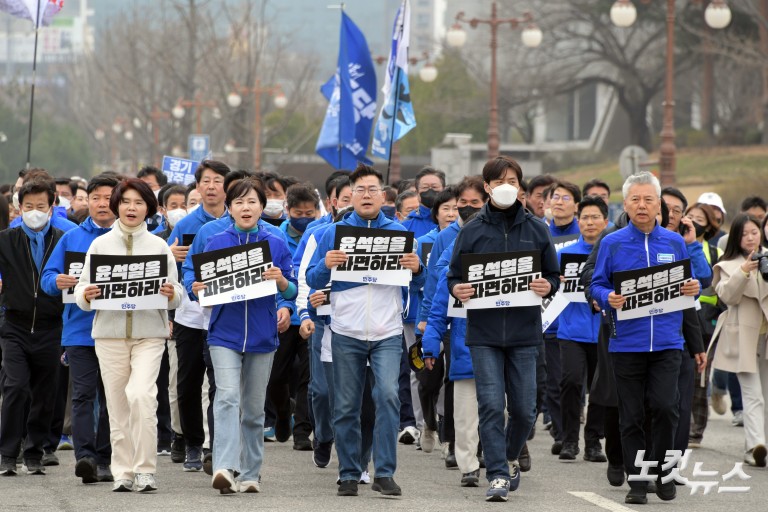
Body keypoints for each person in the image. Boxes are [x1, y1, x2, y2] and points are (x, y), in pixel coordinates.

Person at [448, 156, 560, 502]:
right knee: (492, 405)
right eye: (499, 181)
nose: (506, 186)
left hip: (525, 333)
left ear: (521, 186)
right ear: (487, 187)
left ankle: (510, 455)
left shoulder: (537, 229)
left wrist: (548, 286)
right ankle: (496, 473)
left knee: (526, 409)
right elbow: (454, 276)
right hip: (484, 333)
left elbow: (553, 276)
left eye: (512, 180)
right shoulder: (471, 230)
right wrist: (458, 289)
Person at [306, 164, 422, 497]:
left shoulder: (399, 233)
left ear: (385, 195)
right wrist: (326, 264)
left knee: (386, 396)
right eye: (360, 190)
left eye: (373, 189)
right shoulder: (334, 232)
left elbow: (421, 280)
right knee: (345, 406)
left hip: (387, 332)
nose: (366, 195)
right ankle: (348, 472)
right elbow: (313, 280)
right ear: (351, 196)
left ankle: (384, 472)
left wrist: (418, 267)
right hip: (346, 331)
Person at [590, 171, 700, 505]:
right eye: (635, 199)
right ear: (625, 204)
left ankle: (664, 472)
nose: (642, 205)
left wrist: (692, 287)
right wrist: (607, 296)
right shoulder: (612, 242)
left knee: (667, 408)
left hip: (667, 342)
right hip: (626, 344)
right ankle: (638, 481)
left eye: (648, 199)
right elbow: (596, 284)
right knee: (632, 415)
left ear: (659, 205)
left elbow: (688, 283)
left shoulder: (674, 242)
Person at [75, 178, 182, 492]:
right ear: (116, 206)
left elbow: (177, 294)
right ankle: (123, 471)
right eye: (125, 202)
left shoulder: (159, 246)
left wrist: (169, 292)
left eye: (138, 202)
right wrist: (88, 294)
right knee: (118, 404)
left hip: (150, 334)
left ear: (148, 207)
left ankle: (146, 469)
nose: (131, 208)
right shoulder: (100, 245)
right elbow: (82, 290)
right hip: (109, 335)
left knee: (142, 396)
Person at [190, 179, 297, 494]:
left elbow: (292, 289)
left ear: (262, 206)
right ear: (229, 208)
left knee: (252, 409)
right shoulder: (216, 241)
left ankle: (251, 473)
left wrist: (280, 283)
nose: (245, 208)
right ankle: (223, 467)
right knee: (226, 398)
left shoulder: (276, 241)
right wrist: (198, 290)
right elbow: (202, 293)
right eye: (238, 202)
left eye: (251, 202)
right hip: (224, 333)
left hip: (263, 336)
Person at [41, 174, 120, 484]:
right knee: (83, 395)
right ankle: (85, 457)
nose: (101, 203)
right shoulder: (72, 236)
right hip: (80, 329)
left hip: (118, 331)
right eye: (95, 197)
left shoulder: (134, 236)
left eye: (107, 197)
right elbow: (48, 277)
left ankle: (105, 458)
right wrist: (55, 282)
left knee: (113, 396)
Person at [0, 176, 66, 476]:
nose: (35, 211)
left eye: (41, 205)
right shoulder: (6, 240)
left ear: (52, 205)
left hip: (51, 327)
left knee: (44, 391)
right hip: (14, 324)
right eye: (29, 206)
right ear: (19, 207)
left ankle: (35, 451)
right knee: (15, 386)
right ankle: (7, 452)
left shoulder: (63, 239)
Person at [167, 160, 230, 473]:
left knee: (221, 384)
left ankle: (217, 446)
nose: (211, 186)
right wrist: (172, 256)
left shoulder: (238, 222)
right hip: (190, 316)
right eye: (206, 180)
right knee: (188, 383)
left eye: (217, 180)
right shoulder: (186, 225)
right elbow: (163, 269)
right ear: (198, 186)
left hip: (225, 316)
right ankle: (192, 443)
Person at [711, 214, 768, 467]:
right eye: (744, 233)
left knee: (766, 394)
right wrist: (743, 271)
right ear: (735, 237)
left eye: (754, 231)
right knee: (753, 394)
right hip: (743, 338)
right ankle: (756, 446)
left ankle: (758, 445)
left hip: (766, 337)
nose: (750, 237)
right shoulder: (728, 264)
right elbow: (727, 296)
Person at [556, 195, 609, 462]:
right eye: (585, 217)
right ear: (578, 221)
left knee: (600, 387)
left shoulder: (613, 252)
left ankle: (593, 441)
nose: (590, 222)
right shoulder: (563, 253)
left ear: (606, 221)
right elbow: (547, 286)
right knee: (571, 382)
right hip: (571, 330)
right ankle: (568, 440)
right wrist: (557, 280)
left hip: (604, 330)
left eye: (595, 217)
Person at [270, 183, 319, 449]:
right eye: (298, 212)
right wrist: (285, 305)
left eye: (309, 212)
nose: (304, 217)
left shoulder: (321, 235)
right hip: (284, 314)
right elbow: (276, 279)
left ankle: (302, 432)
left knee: (308, 377)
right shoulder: (275, 237)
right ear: (287, 210)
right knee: (276, 376)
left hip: (311, 314)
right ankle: (281, 413)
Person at [401, 167, 445, 238]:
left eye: (434, 187)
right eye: (425, 187)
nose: (430, 191)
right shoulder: (406, 226)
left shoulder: (454, 221)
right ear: (417, 192)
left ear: (444, 190)